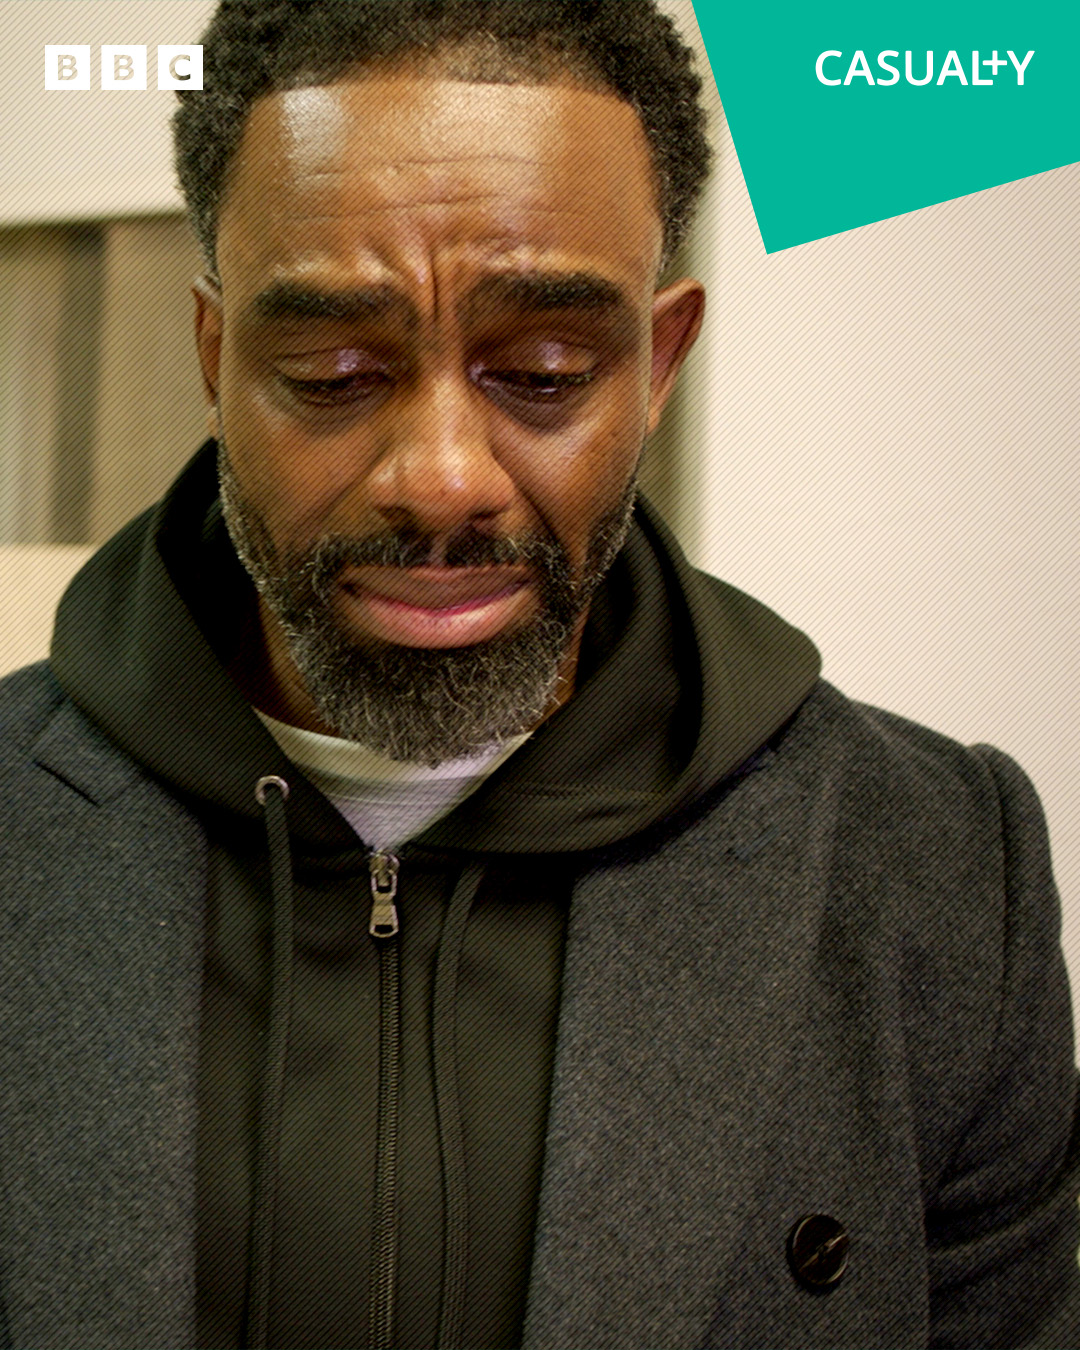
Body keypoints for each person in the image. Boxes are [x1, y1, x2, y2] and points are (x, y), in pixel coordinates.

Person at [0, 2, 1077, 1347]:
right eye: (334, 374)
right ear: (219, 359)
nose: (441, 476)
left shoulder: (936, 873)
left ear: (657, 363)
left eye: (545, 372)